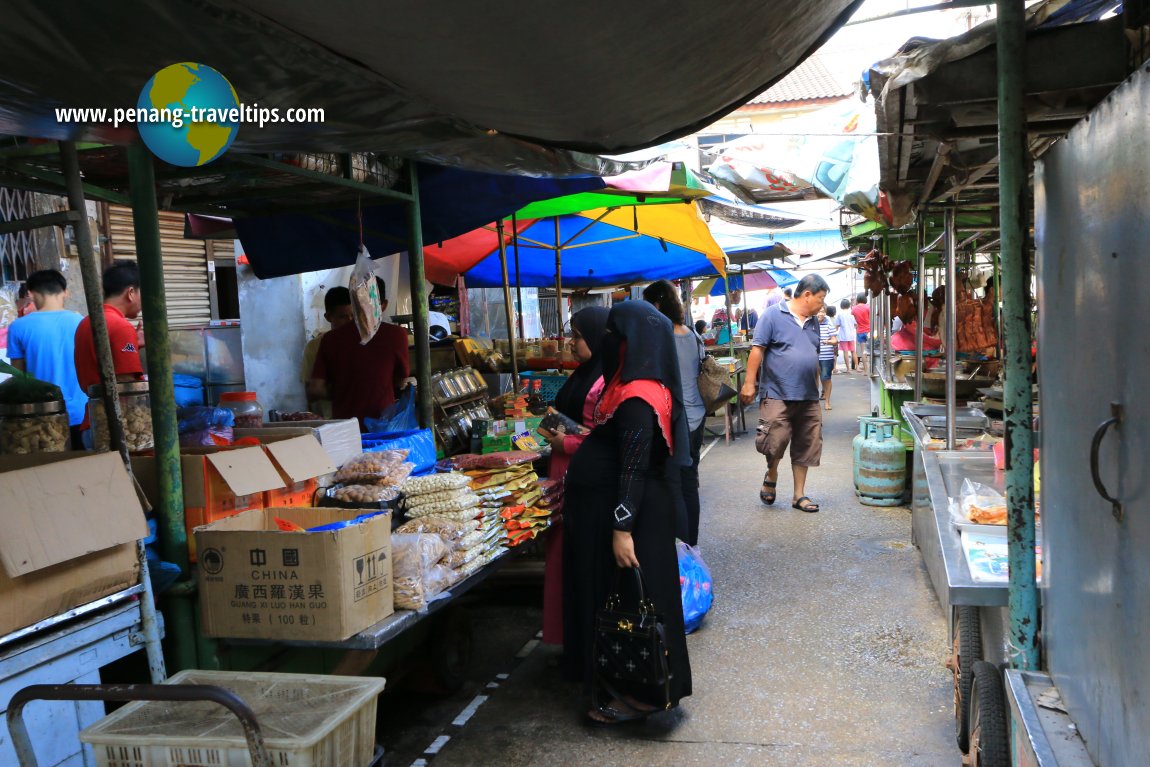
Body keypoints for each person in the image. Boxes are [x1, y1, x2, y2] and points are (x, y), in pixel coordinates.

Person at [564, 301, 692, 725]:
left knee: (638, 609)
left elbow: (634, 468)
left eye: (613, 333)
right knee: (625, 606)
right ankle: (624, 687)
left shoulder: (639, 395)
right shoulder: (625, 386)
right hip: (623, 513)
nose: (607, 341)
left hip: (635, 519)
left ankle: (640, 697)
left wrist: (621, 528)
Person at [536, 306, 610, 648]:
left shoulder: (604, 379)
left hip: (581, 473)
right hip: (561, 471)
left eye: (577, 337)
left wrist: (565, 439)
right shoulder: (582, 373)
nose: (571, 343)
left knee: (577, 557)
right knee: (561, 554)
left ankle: (579, 640)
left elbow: (603, 438)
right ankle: (563, 637)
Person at [740, 274, 829, 513]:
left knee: (807, 444)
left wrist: (820, 386)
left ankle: (799, 495)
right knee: (774, 441)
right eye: (820, 299)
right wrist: (749, 383)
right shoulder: (772, 315)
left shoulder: (814, 322)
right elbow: (757, 350)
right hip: (777, 392)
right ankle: (771, 472)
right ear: (807, 294)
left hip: (808, 395)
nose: (823, 305)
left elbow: (814, 353)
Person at [643, 280, 706, 547]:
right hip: (697, 415)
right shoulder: (691, 333)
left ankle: (679, 549)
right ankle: (691, 545)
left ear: (656, 306)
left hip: (674, 420)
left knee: (673, 484)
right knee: (689, 483)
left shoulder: (660, 335)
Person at [309, 277, 410, 429]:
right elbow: (401, 380)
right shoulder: (397, 335)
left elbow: (316, 388)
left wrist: (345, 390)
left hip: (344, 428)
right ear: (383, 305)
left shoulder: (330, 339)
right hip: (382, 425)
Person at [6, 270, 86, 447]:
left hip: (42, 416)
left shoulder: (18, 327)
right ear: (66, 292)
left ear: (30, 293)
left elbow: (19, 378)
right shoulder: (82, 323)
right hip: (83, 414)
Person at [74, 261, 145, 434]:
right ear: (131, 293)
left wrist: (134, 343)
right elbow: (126, 387)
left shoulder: (85, 322)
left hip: (92, 423)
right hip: (115, 427)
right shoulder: (121, 326)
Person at [301, 287, 354, 418]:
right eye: (343, 316)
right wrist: (348, 391)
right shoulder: (314, 347)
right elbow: (310, 394)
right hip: (329, 421)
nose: (350, 321)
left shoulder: (362, 343)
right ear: (328, 317)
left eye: (353, 315)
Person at [818, 305, 838, 411]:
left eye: (822, 311)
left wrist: (828, 341)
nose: (820, 314)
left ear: (825, 313)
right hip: (813, 356)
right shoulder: (810, 323)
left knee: (826, 378)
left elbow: (835, 340)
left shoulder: (829, 324)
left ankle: (827, 402)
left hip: (826, 356)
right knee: (813, 379)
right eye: (818, 311)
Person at [852, 293, 871, 374]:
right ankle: (871, 370)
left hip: (860, 331)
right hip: (869, 331)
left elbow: (853, 319)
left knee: (863, 352)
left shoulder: (854, 309)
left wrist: (854, 303)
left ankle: (866, 371)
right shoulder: (868, 307)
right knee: (871, 351)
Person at [837, 297, 857, 372]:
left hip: (843, 336)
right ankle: (857, 367)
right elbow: (856, 325)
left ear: (841, 306)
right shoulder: (851, 315)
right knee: (853, 351)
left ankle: (848, 369)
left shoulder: (840, 315)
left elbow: (837, 325)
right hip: (851, 336)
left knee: (845, 352)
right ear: (849, 306)